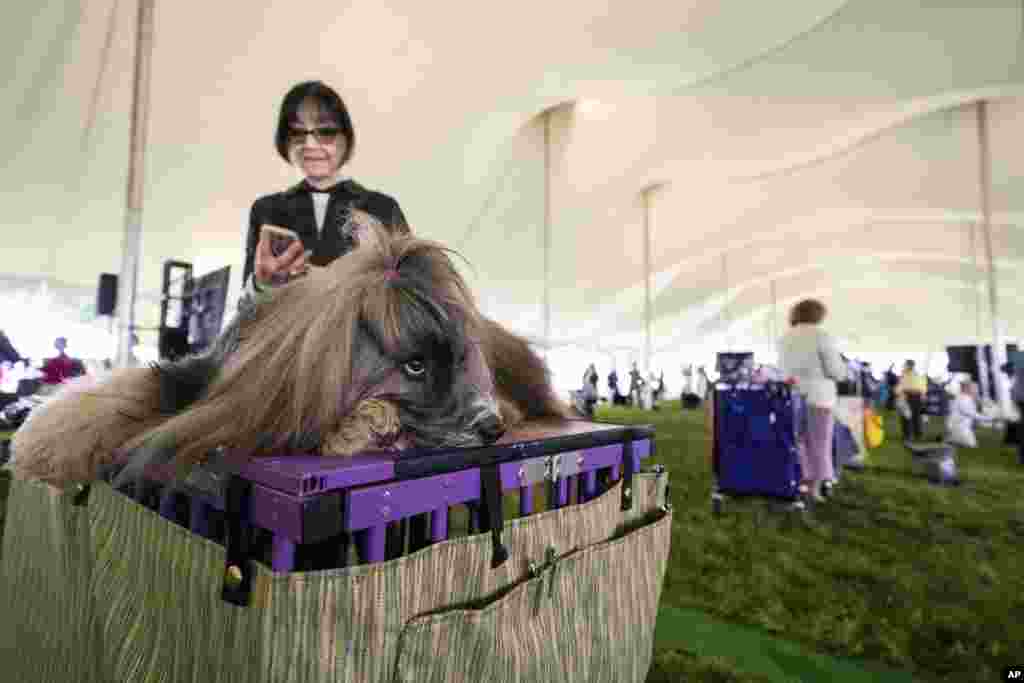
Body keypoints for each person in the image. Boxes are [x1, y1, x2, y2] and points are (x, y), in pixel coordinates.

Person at [243, 81, 410, 294]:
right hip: (290, 326)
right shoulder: (266, 208)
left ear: (346, 138)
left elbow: (411, 289)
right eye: (297, 133)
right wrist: (261, 284)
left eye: (326, 131)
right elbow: (246, 310)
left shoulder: (382, 208)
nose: (310, 144)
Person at [777, 299, 850, 502]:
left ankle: (801, 481)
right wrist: (844, 371)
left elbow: (782, 370)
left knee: (798, 441)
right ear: (817, 315)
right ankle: (816, 488)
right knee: (820, 443)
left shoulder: (784, 338)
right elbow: (836, 371)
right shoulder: (822, 336)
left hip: (792, 396)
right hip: (819, 397)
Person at [945, 381, 992, 448]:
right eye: (973, 389)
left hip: (955, 427)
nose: (975, 391)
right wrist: (990, 418)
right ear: (966, 389)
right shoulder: (964, 399)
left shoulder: (962, 397)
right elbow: (972, 414)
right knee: (972, 446)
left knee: (955, 444)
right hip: (960, 428)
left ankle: (950, 441)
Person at [895, 359, 927, 442]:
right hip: (906, 396)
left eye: (909, 365)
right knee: (906, 416)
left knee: (917, 416)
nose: (908, 366)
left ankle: (918, 434)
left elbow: (922, 385)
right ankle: (907, 435)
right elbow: (900, 385)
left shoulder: (918, 374)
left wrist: (923, 394)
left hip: (917, 396)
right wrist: (899, 393)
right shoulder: (904, 374)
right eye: (908, 364)